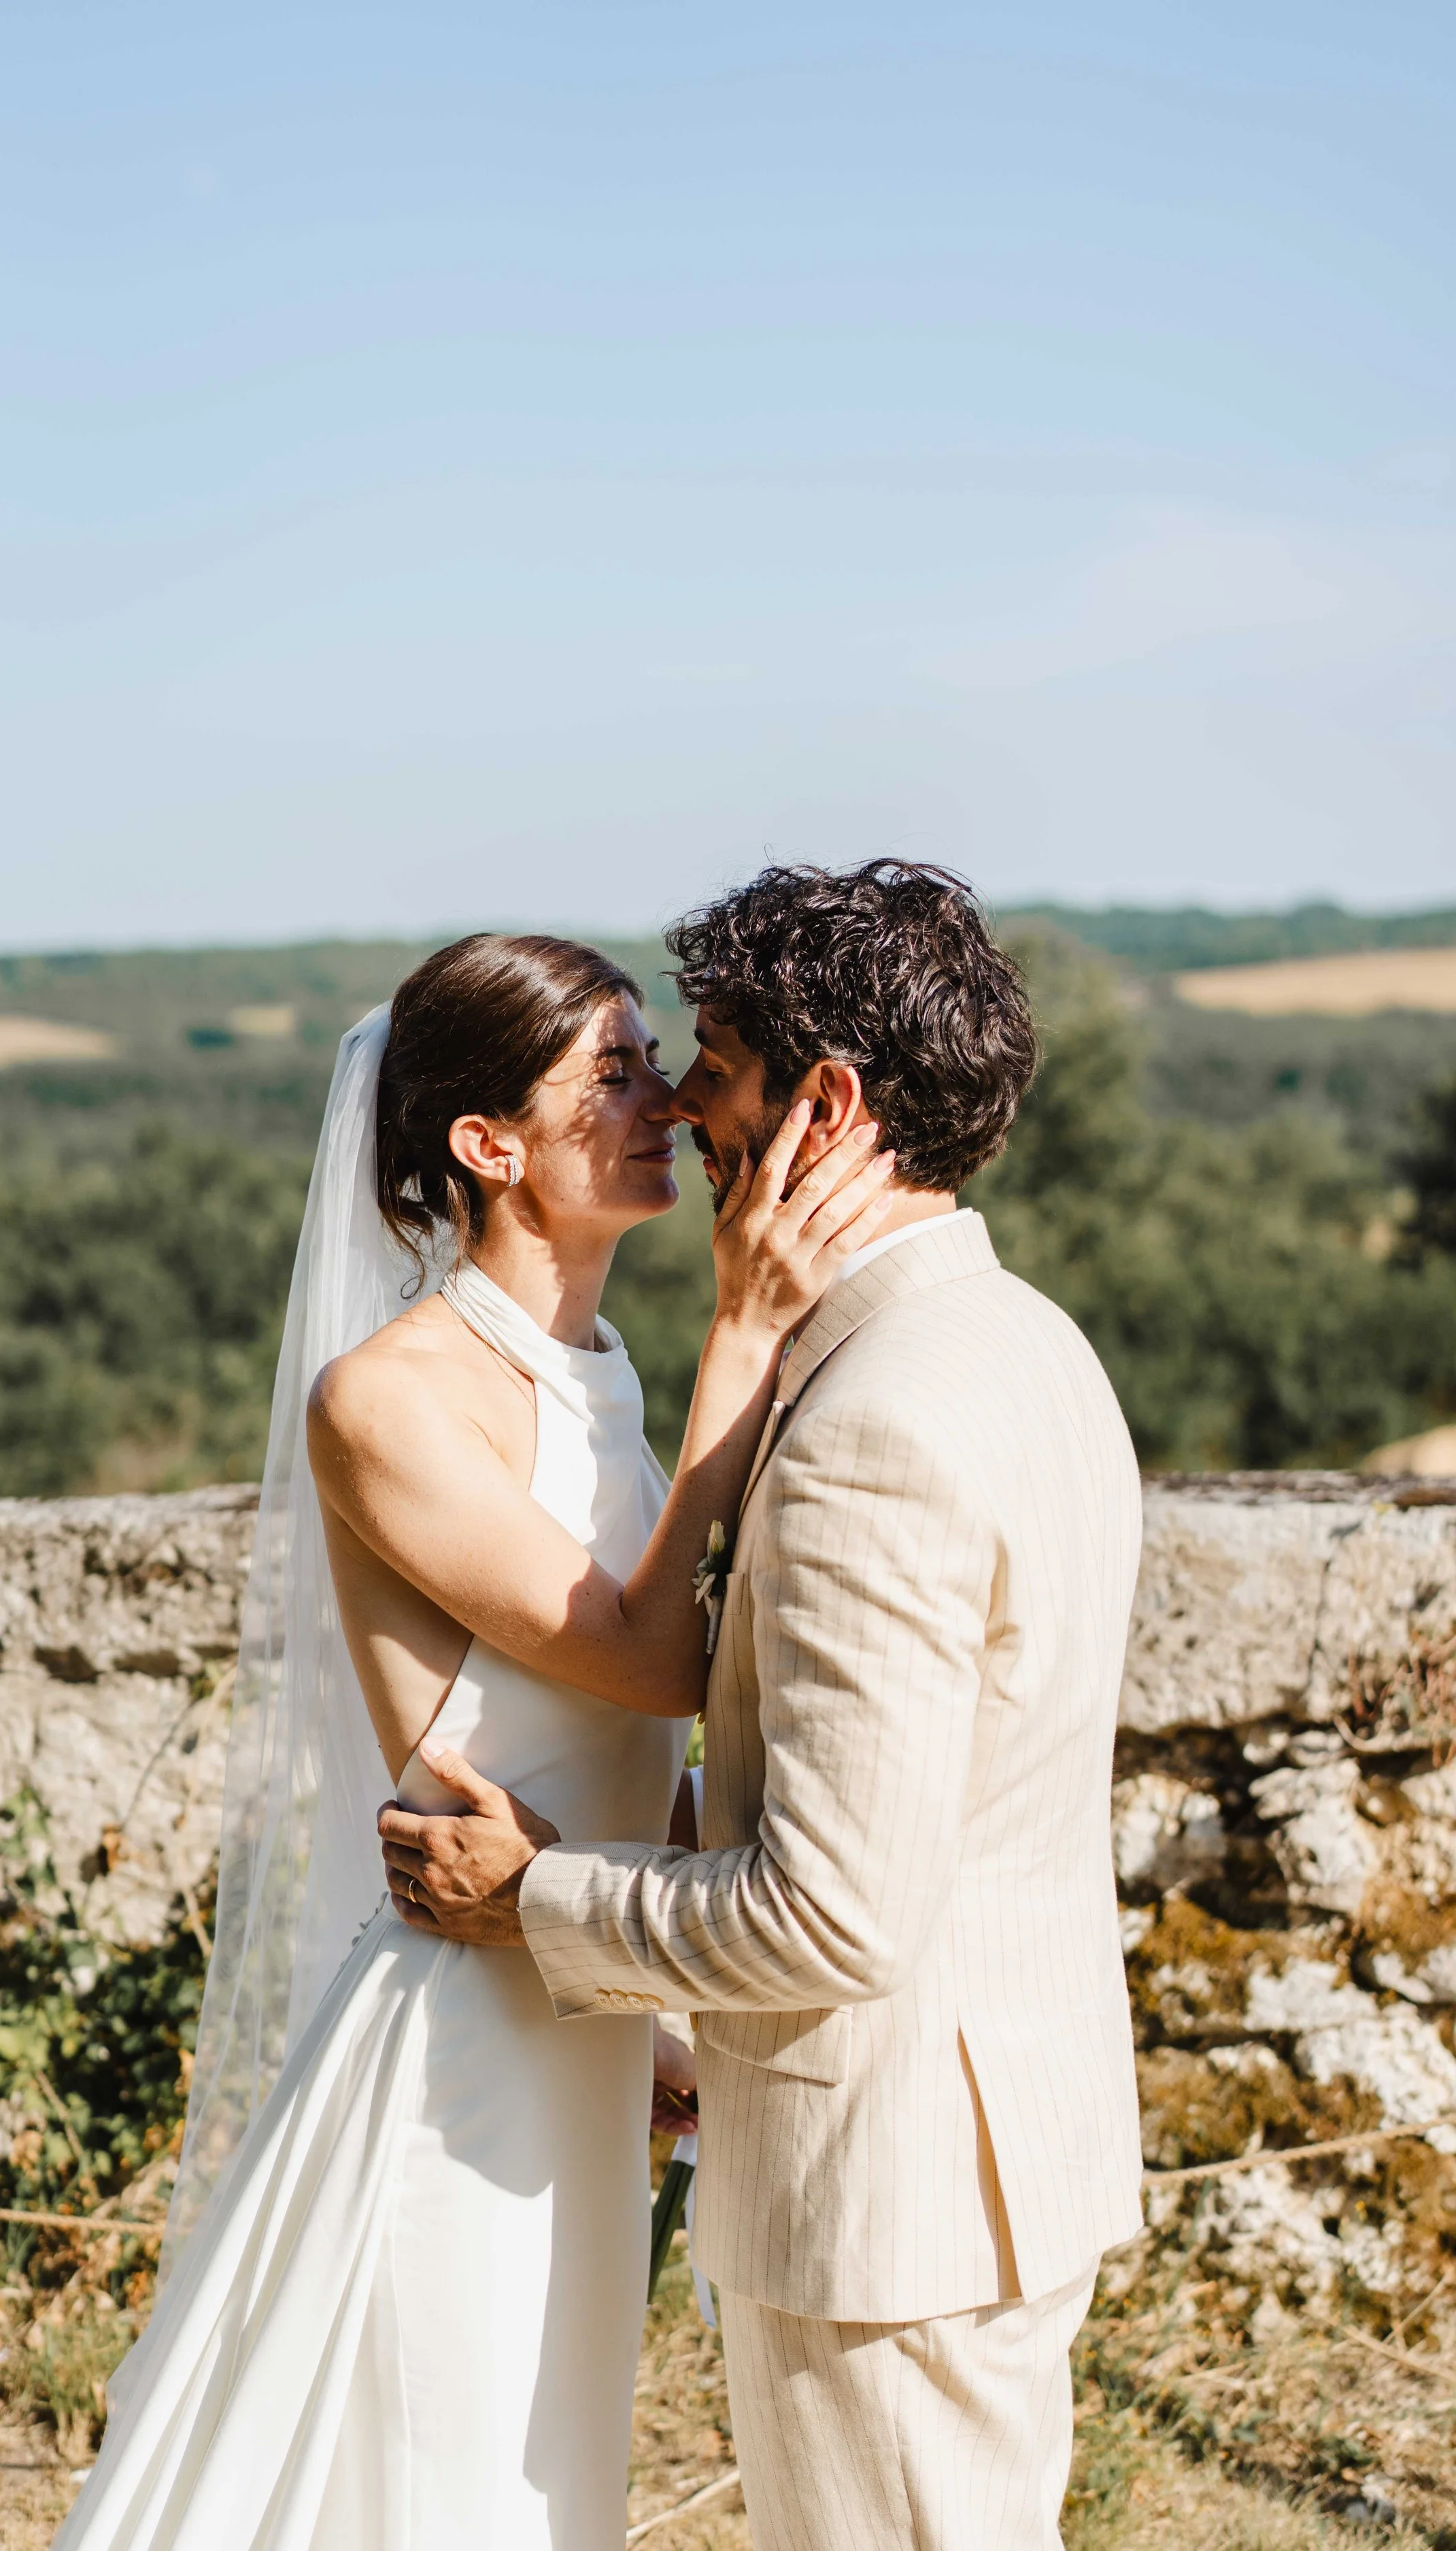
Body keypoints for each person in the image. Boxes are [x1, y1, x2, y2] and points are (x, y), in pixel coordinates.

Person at [52, 929, 897, 2551]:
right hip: (461, 2039)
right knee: (441, 2482)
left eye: (654, 1061)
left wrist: (645, 2018)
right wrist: (747, 1336)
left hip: (570, 2000)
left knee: (543, 2468)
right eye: (610, 1072)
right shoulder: (388, 1400)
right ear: (486, 1145)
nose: (666, 1100)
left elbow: (590, 1747)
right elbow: (650, 1660)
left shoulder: (597, 1370)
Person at [380, 862, 1145, 2551]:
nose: (685, 1108)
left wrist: (530, 1904)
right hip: (990, 2147)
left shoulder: (877, 1420)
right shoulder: (1027, 1345)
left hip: (890, 2202)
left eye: (711, 1062)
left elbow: (828, 1909)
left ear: (826, 1103)